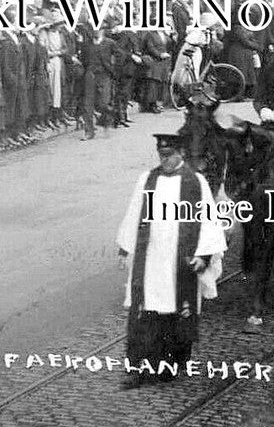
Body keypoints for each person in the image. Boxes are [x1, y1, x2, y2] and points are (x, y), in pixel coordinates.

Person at [116, 133, 226, 388]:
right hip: (152, 260)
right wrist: (124, 248)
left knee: (174, 313)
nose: (164, 160)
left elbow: (209, 222)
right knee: (146, 312)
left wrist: (204, 255)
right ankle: (137, 368)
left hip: (179, 263)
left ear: (181, 154)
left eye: (169, 156)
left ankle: (169, 366)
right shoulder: (148, 180)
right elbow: (135, 213)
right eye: (161, 156)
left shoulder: (195, 183)